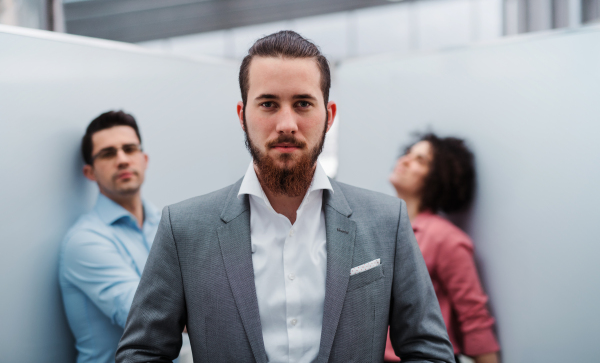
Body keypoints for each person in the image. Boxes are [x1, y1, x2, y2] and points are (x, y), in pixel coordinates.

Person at [116, 31, 455, 363]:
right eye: (268, 104)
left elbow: (429, 351)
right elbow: (142, 353)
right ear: (242, 116)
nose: (287, 124)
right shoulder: (184, 229)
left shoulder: (385, 221)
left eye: (303, 104)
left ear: (329, 116)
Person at [386, 133, 501, 363]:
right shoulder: (382, 227)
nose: (405, 161)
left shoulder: (446, 239)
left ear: (437, 177)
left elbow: (474, 318)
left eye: (420, 160)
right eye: (408, 154)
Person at [59, 111, 160, 363]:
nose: (122, 159)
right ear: (90, 172)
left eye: (129, 149)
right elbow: (151, 317)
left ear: (144, 159)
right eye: (108, 153)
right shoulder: (85, 241)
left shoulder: (165, 225)